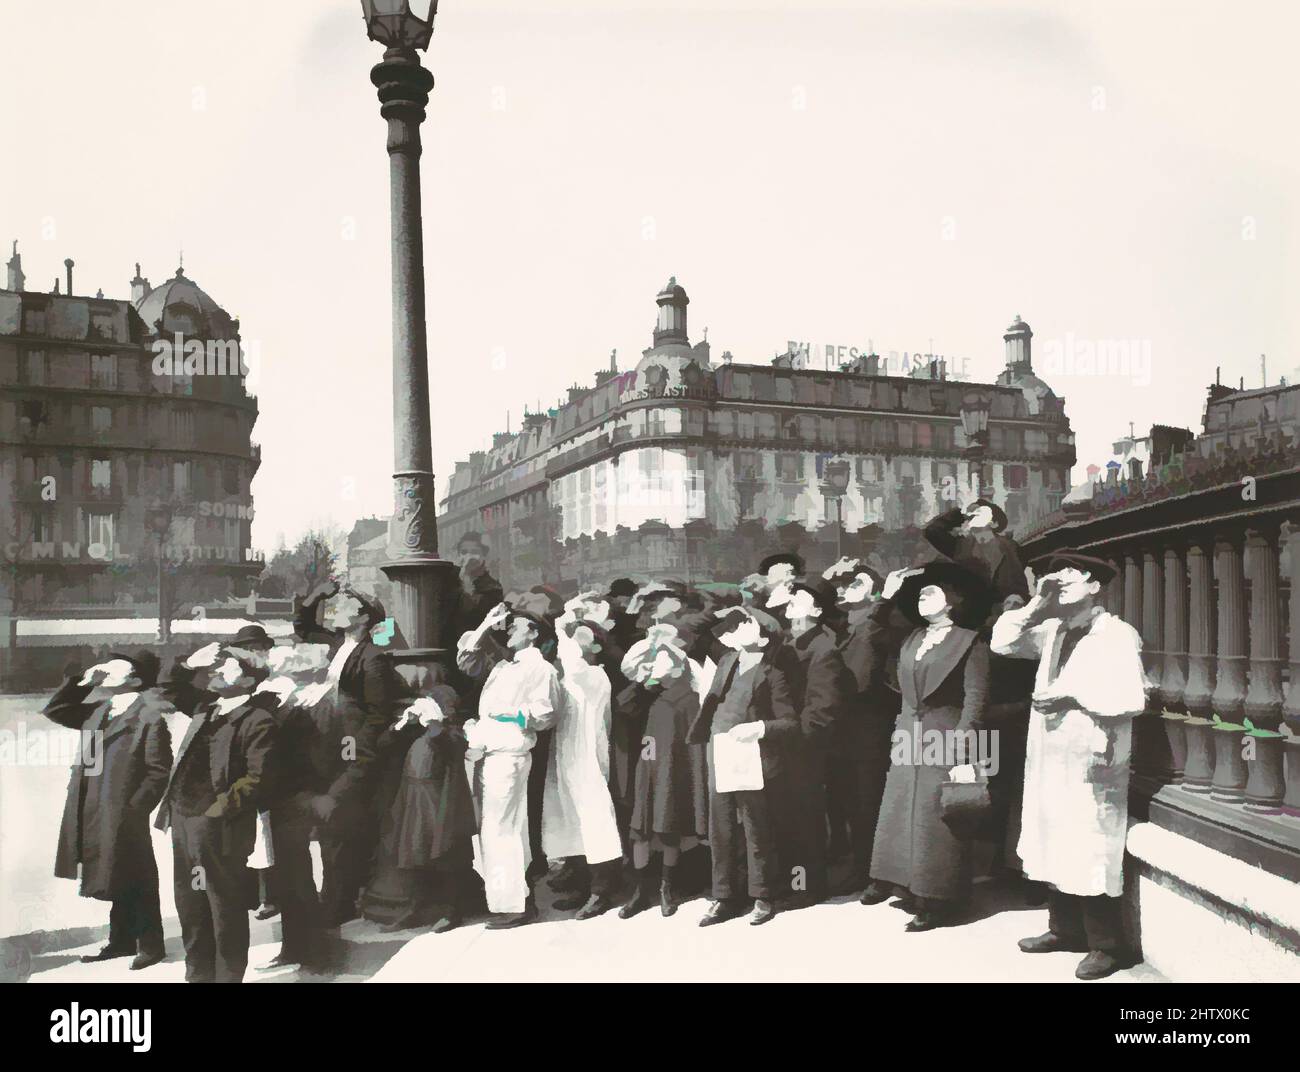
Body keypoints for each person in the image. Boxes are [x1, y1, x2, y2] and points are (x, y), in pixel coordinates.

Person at [991, 551, 1147, 980]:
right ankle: (1063, 930)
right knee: (1051, 834)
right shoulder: (1054, 630)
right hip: (1052, 753)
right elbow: (1002, 642)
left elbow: (1131, 698)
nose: (1058, 582)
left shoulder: (1115, 635)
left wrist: (1072, 696)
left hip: (1092, 757)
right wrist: (1034, 607)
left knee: (1090, 844)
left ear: (1095, 585)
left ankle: (1107, 946)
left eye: (1070, 576)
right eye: (1052, 576)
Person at [863, 562, 992, 932]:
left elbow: (976, 700)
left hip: (945, 735)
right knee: (901, 811)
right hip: (908, 734)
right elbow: (872, 634)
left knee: (938, 819)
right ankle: (901, 881)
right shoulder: (912, 638)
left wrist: (963, 749)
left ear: (953, 601)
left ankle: (937, 898)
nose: (922, 598)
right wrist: (884, 598)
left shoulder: (970, 641)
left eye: (931, 592)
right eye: (919, 594)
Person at [43, 651, 173, 971]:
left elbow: (159, 771)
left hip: (123, 810)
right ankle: (122, 940)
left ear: (136, 680)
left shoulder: (149, 715)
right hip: (94, 804)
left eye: (118, 668)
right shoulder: (101, 708)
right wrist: (82, 683)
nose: (108, 671)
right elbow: (57, 709)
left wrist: (135, 809)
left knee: (138, 873)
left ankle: (151, 944)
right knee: (112, 871)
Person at [156, 651, 278, 983]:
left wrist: (216, 810)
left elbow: (258, 778)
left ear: (249, 680)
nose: (217, 669)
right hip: (183, 820)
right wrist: (188, 663)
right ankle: (197, 977)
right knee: (190, 905)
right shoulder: (206, 708)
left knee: (224, 909)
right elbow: (168, 686)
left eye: (228, 666)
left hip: (218, 827)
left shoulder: (257, 719)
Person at [293, 583, 402, 926]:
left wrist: (357, 753)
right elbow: (303, 628)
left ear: (363, 618)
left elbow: (377, 715)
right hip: (331, 744)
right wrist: (317, 596)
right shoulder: (339, 644)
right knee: (333, 827)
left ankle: (340, 902)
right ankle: (340, 897)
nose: (338, 608)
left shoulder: (372, 657)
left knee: (342, 825)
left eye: (346, 605)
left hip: (353, 749)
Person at [688, 606, 799, 927]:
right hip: (719, 751)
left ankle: (763, 895)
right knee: (720, 828)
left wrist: (760, 727)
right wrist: (728, 610)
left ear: (763, 631)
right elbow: (700, 624)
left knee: (755, 827)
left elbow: (790, 722)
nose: (733, 628)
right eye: (732, 624)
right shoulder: (727, 661)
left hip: (752, 756)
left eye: (744, 622)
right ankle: (724, 896)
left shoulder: (773, 672)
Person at [456, 600, 561, 928]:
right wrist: (488, 623)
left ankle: (514, 905)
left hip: (509, 755)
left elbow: (546, 714)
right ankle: (515, 900)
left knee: (501, 830)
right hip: (492, 754)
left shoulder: (539, 667)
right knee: (502, 829)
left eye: (515, 625)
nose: (508, 629)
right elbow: (466, 661)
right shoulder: (505, 665)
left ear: (533, 632)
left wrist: (512, 715)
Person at [617, 623, 710, 918]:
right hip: (649, 761)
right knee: (641, 829)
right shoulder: (647, 691)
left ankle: (666, 887)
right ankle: (641, 890)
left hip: (675, 762)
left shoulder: (690, 688)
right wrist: (642, 679)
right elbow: (624, 705)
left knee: (670, 824)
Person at [376, 686, 478, 933]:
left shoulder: (452, 733)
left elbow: (453, 747)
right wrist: (401, 725)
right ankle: (415, 908)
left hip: (439, 800)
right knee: (412, 851)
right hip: (412, 797)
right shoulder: (414, 731)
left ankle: (451, 910)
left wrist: (435, 724)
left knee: (444, 853)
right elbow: (383, 744)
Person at [543, 618, 625, 919]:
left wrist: (561, 629)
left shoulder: (594, 675)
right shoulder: (570, 676)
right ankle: (579, 884)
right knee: (569, 818)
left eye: (582, 637)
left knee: (593, 819)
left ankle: (602, 890)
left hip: (587, 756)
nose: (574, 642)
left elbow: (574, 665)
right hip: (566, 754)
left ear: (596, 647)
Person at [778, 580, 853, 905]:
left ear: (818, 611)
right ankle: (791, 883)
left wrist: (796, 743)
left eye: (800, 597)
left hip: (803, 750)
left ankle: (805, 889)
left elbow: (823, 709)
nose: (792, 601)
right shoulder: (790, 642)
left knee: (805, 823)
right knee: (788, 820)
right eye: (791, 597)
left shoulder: (823, 648)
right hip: (784, 745)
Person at [837, 567, 911, 898]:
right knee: (851, 801)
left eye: (855, 582)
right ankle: (861, 866)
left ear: (874, 591)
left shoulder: (880, 621)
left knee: (869, 800)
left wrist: (885, 600)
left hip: (871, 724)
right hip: (845, 726)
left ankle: (875, 873)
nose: (845, 587)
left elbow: (866, 661)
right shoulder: (844, 625)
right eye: (843, 582)